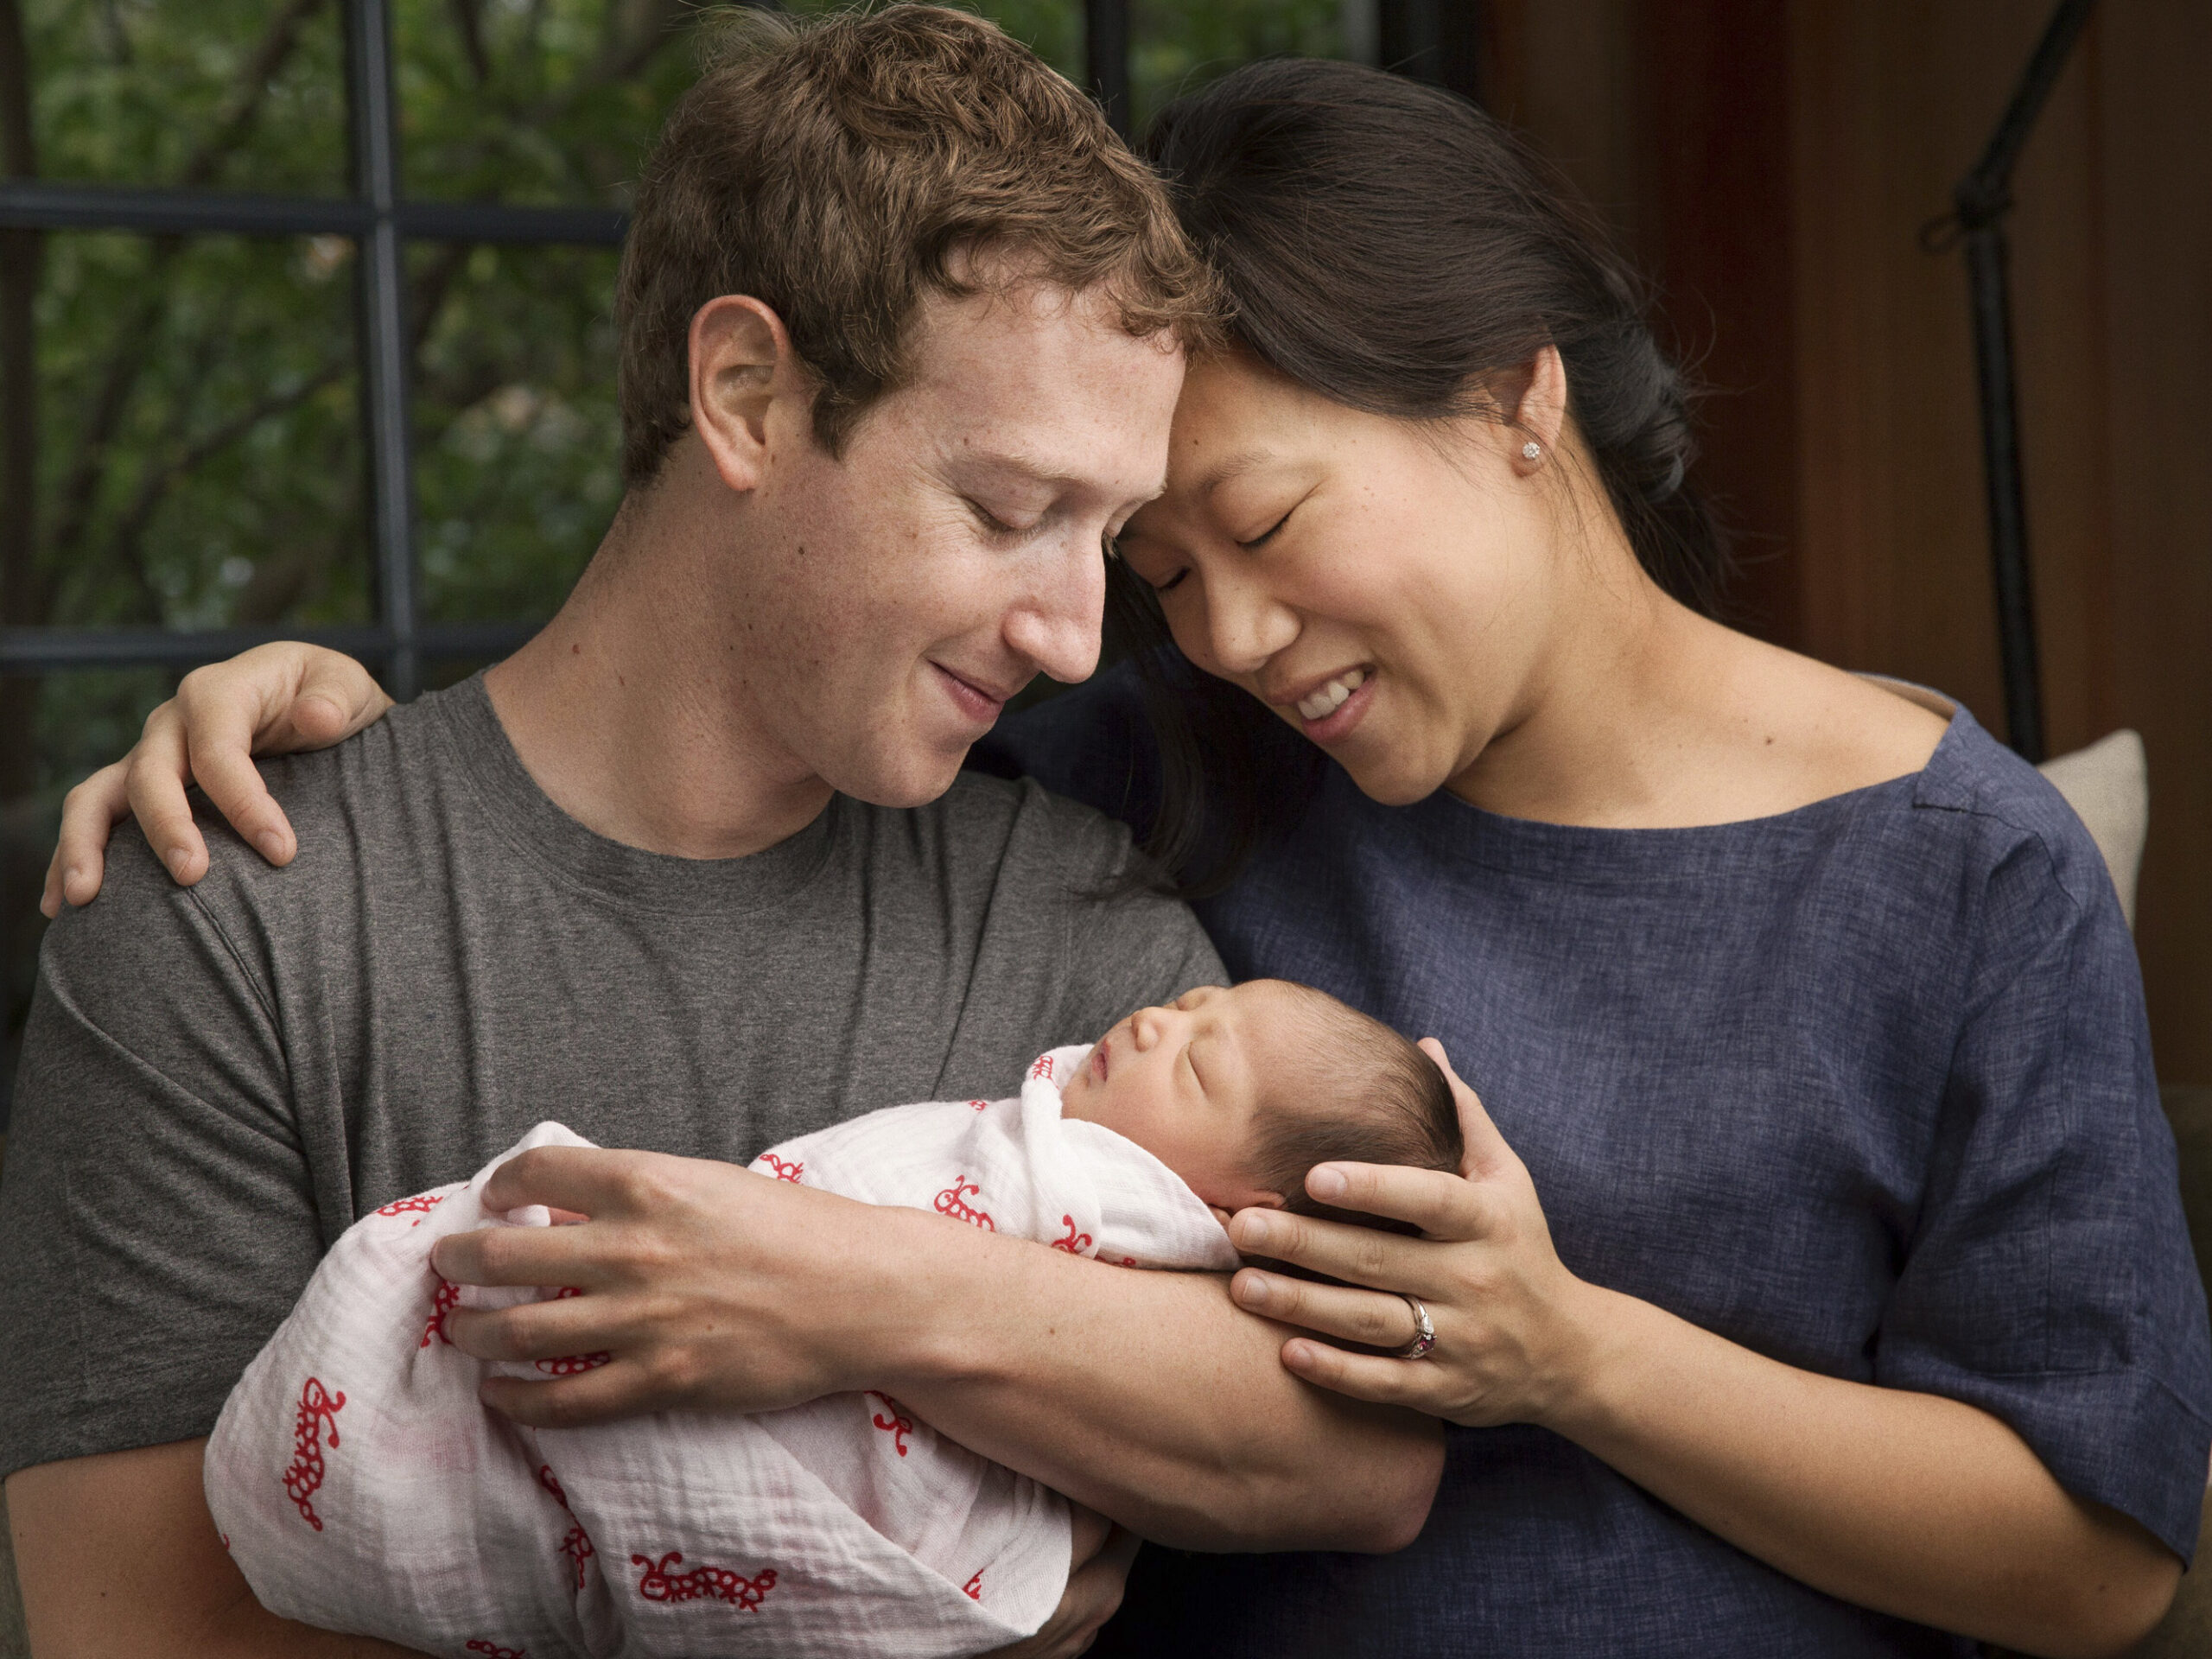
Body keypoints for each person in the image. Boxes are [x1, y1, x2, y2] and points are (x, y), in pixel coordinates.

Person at [30, 50, 2211, 1659]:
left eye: (1235, 530)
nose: (1182, 633)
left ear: (1515, 398)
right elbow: (715, 670)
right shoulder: (1172, 769)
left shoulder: (1955, 870)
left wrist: (1568, 1355)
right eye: (1141, 561)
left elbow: (2096, 1559)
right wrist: (317, 714)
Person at [0, 16, 1450, 1659]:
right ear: (748, 396)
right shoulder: (235, 911)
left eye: (1107, 539)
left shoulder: (1078, 936)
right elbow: (143, 1630)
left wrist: (844, 1288)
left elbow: (1353, 1457)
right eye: (1006, 510)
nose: (1070, 634)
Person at [204, 982, 1459, 1659]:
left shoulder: (1123, 1174)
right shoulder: (264, 926)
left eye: (1197, 1061)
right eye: (1190, 1003)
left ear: (1241, 1214)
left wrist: (845, 1286)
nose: (1155, 1021)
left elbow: (1373, 1467)